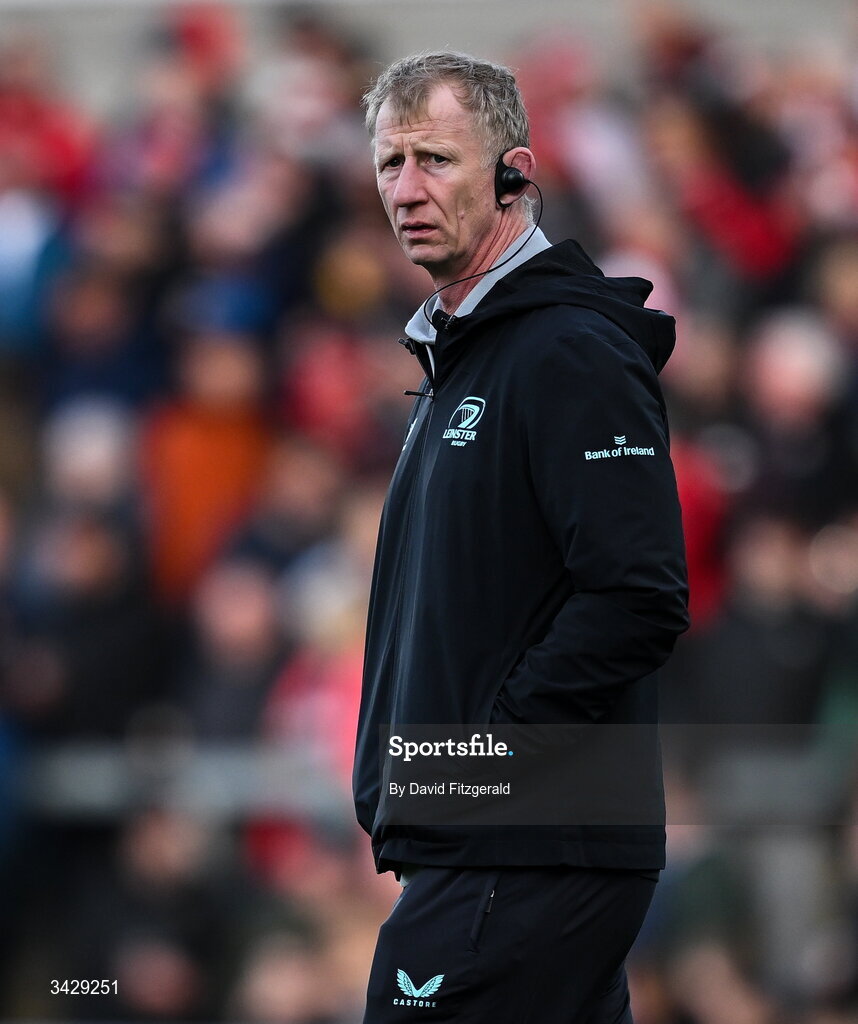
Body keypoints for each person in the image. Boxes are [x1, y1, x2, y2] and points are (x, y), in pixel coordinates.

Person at [352, 52, 689, 1023]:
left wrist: (483, 757)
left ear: (516, 171)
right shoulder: (467, 357)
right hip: (508, 845)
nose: (407, 191)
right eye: (389, 164)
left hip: (525, 841)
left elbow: (637, 593)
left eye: (435, 160)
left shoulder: (565, 351)